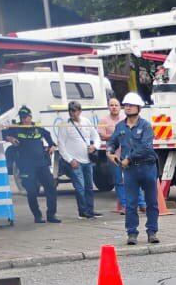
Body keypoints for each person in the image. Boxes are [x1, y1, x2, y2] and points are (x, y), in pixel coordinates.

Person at [106, 91, 159, 245]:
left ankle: (152, 231)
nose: (127, 107)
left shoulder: (146, 126)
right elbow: (112, 142)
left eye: (131, 105)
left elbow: (146, 147)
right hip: (130, 171)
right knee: (130, 203)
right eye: (126, 105)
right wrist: (109, 152)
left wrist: (128, 158)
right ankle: (132, 233)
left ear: (138, 107)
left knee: (151, 202)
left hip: (147, 168)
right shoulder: (120, 126)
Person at [4, 106, 59, 223]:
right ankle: (37, 216)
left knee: (51, 188)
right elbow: (2, 132)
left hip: (41, 164)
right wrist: (9, 138)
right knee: (32, 192)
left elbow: (49, 136)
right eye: (22, 117)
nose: (24, 120)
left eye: (25, 117)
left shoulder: (37, 127)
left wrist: (52, 146)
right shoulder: (15, 128)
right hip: (26, 166)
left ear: (30, 116)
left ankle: (51, 215)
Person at [54, 101, 102, 219]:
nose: (72, 113)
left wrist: (94, 146)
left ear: (80, 111)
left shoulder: (86, 122)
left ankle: (90, 210)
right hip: (76, 162)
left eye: (74, 110)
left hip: (87, 160)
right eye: (70, 110)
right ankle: (83, 211)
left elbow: (96, 137)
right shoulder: (65, 125)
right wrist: (70, 160)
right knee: (80, 187)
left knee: (89, 187)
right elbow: (61, 145)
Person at [97, 98, 143, 214]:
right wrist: (118, 135)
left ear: (120, 107)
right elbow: (102, 136)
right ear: (108, 107)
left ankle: (142, 204)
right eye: (111, 105)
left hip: (129, 155)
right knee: (119, 181)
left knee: (135, 179)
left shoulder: (125, 119)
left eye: (116, 105)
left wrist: (114, 135)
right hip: (114, 156)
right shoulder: (103, 120)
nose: (114, 107)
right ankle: (125, 206)